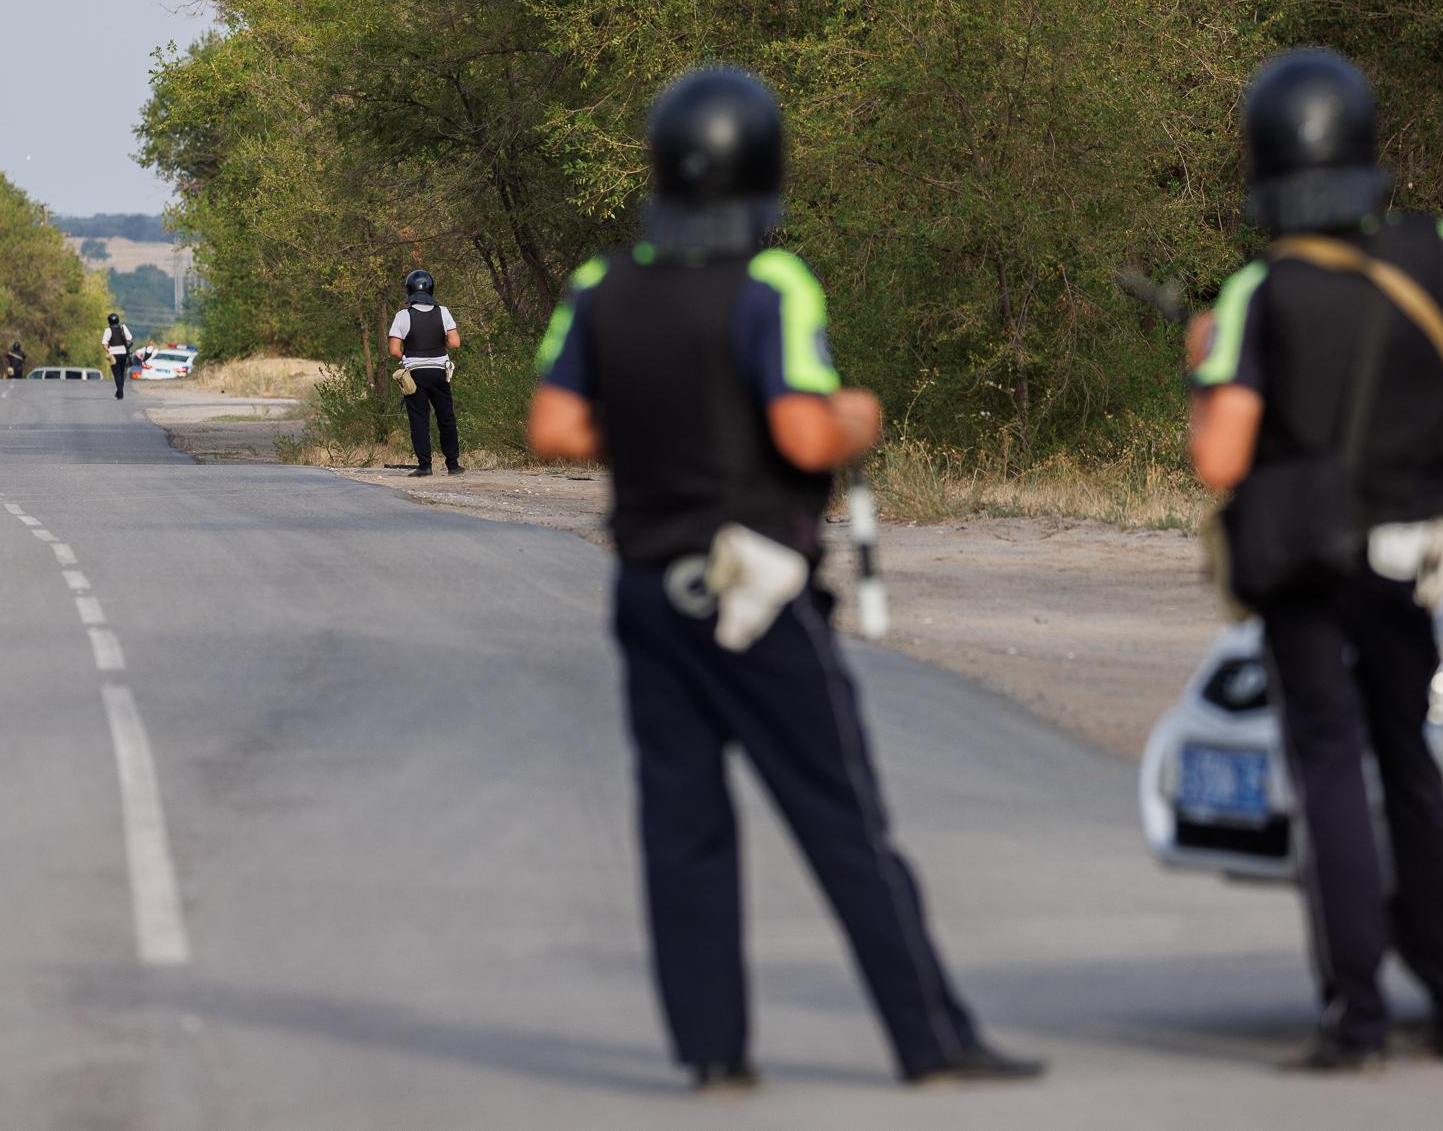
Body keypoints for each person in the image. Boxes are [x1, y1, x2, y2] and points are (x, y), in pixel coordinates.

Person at [527, 66, 1043, 1092]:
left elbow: (554, 427)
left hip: (646, 586)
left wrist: (655, 435)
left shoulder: (601, 287)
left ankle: (715, 1056)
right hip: (755, 583)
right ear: (763, 170)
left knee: (682, 823)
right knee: (839, 813)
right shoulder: (772, 285)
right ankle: (929, 1040)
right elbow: (804, 430)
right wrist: (860, 417)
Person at [1185, 48, 1443, 1071]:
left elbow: (1221, 459)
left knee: (1330, 775)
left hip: (1307, 567)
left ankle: (1359, 1023)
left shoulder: (1263, 290)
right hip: (1413, 559)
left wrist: (1203, 366)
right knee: (1410, 768)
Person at [387, 269, 463, 477]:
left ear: (409, 289)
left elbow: (394, 349)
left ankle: (425, 465)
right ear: (431, 288)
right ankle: (453, 465)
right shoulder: (443, 311)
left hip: (415, 374)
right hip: (439, 372)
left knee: (419, 419)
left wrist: (406, 359)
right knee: (446, 417)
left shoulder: (403, 316)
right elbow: (455, 343)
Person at [101, 313, 133, 399]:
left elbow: (104, 343)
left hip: (114, 355)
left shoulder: (108, 330)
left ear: (109, 321)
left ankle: (120, 392)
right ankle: (119, 392)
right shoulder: (123, 327)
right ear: (118, 320)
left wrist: (108, 351)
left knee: (117, 374)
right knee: (122, 373)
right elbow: (129, 338)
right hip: (123, 353)